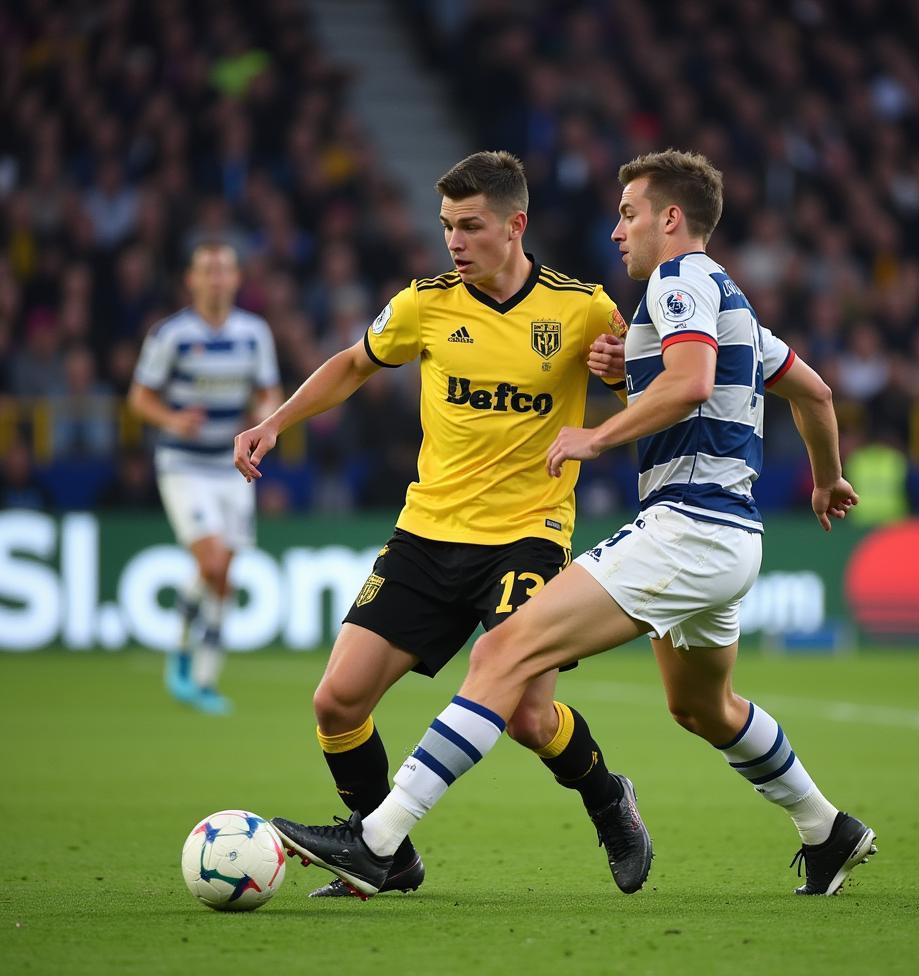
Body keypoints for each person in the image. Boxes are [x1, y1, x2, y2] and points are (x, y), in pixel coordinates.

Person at [276, 149, 877, 899]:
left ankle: (379, 839)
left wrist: (596, 435)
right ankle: (828, 830)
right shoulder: (733, 300)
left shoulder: (678, 281)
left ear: (669, 218)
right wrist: (825, 479)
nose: (617, 231)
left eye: (629, 214)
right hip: (733, 536)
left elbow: (690, 384)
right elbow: (814, 393)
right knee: (701, 707)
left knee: (502, 655)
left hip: (683, 527)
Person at [235, 151, 653, 899]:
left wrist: (623, 370)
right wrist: (275, 421)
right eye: (446, 227)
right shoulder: (425, 303)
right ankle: (386, 854)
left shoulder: (582, 307)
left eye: (470, 226)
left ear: (514, 225)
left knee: (528, 715)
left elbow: (643, 398)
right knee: (336, 702)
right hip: (427, 533)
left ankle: (607, 800)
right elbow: (353, 364)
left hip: (528, 535)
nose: (454, 243)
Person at [129, 243, 283, 714]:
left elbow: (268, 389)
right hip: (183, 462)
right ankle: (179, 651)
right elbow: (139, 397)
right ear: (191, 280)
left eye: (224, 270)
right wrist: (173, 421)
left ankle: (204, 677)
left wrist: (263, 414)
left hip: (231, 464)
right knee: (212, 562)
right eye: (207, 271)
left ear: (237, 279)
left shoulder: (253, 333)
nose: (216, 278)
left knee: (223, 577)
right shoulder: (171, 335)